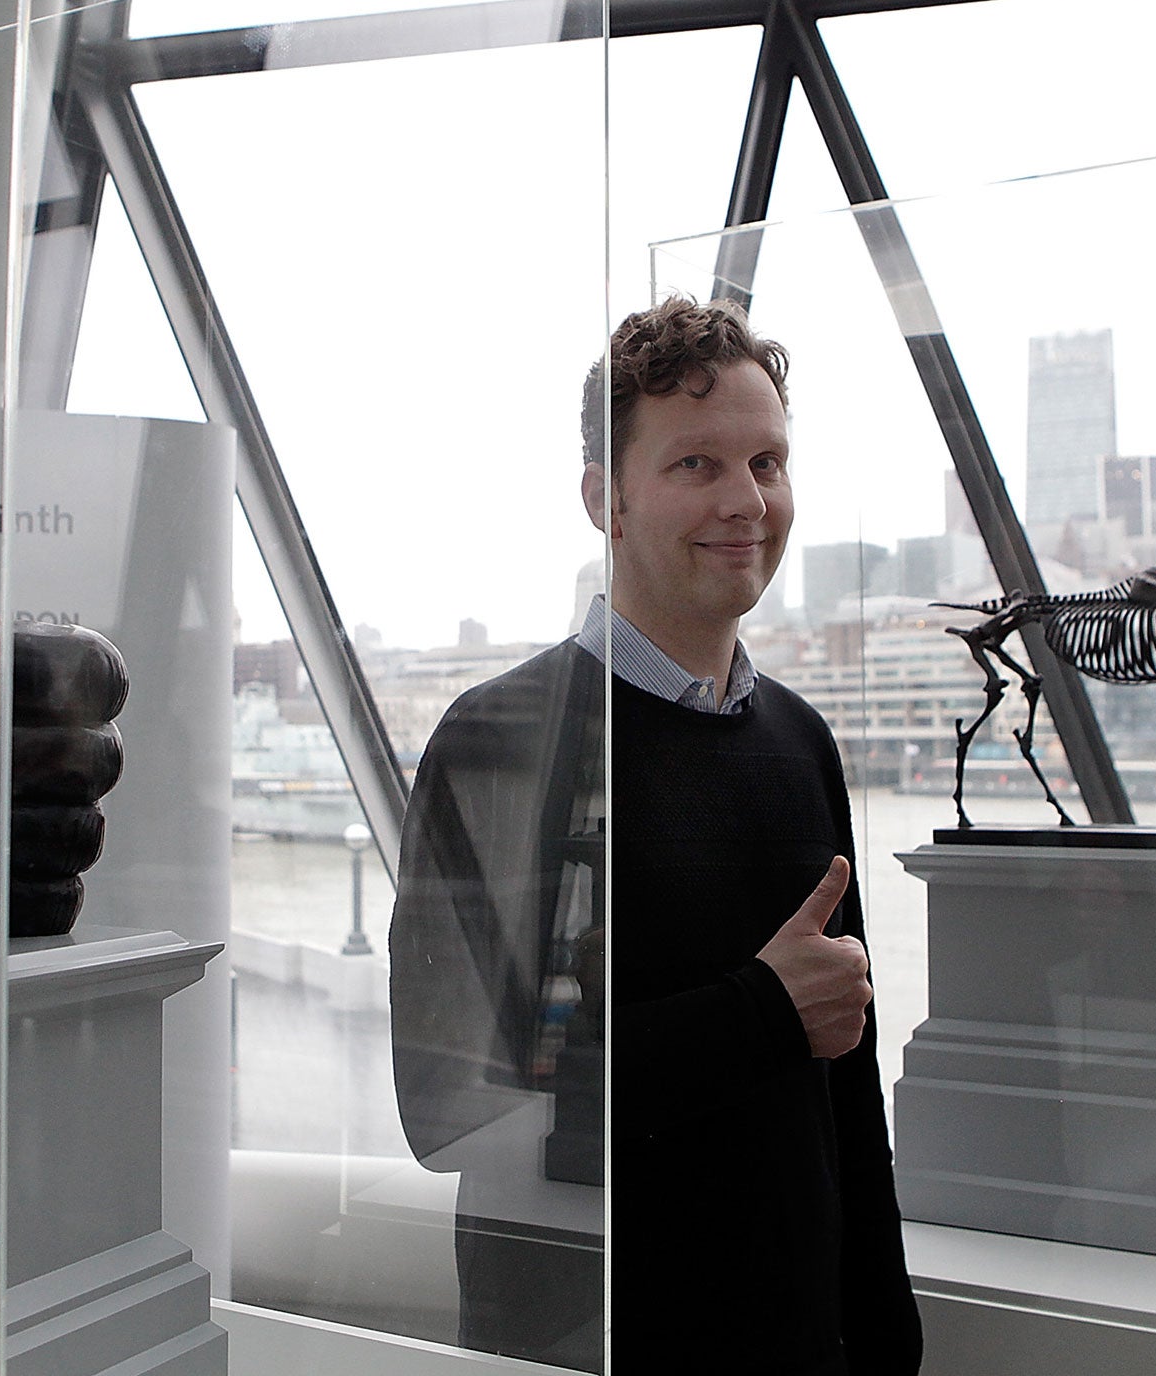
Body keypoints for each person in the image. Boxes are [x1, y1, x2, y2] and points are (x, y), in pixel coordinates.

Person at [390, 295, 923, 1373]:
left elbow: (843, 1089)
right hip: (584, 1341)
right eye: (695, 465)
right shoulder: (502, 739)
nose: (746, 501)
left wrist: (880, 1332)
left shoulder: (799, 742)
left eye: (766, 462)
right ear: (605, 499)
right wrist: (758, 1011)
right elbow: (446, 1107)